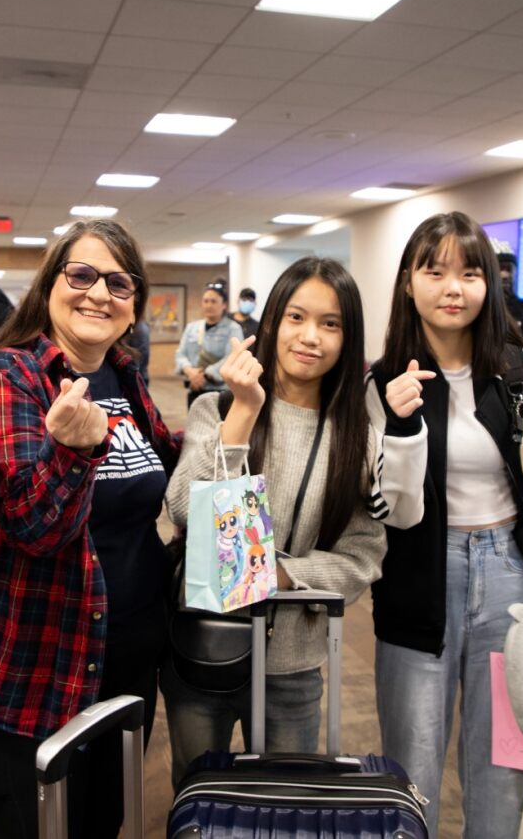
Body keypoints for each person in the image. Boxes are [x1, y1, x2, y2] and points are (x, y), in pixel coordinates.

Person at [0, 219, 180, 839]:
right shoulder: (10, 377)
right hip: (32, 668)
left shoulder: (123, 375)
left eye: (119, 283)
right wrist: (71, 453)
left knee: (101, 824)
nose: (99, 293)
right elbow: (33, 526)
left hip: (126, 660)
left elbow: (157, 463)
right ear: (49, 286)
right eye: (82, 275)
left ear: (133, 309)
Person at [367, 212, 523, 837]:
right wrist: (404, 427)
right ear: (408, 283)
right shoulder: (383, 381)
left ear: (489, 285)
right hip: (417, 577)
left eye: (470, 273)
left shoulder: (522, 373)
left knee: (502, 765)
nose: (454, 287)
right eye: (434, 270)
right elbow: (395, 511)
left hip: (509, 580)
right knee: (410, 763)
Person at [162, 257, 387, 785]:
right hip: (204, 647)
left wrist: (285, 575)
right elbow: (182, 511)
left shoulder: (357, 437)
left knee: (284, 803)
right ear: (270, 325)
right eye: (295, 318)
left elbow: (364, 556)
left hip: (293, 664)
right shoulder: (216, 408)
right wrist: (243, 413)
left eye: (330, 324)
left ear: (347, 338)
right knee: (197, 795)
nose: (311, 337)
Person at [175, 279, 242, 408]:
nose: (209, 305)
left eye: (214, 301)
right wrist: (190, 372)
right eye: (206, 301)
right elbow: (180, 354)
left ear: (224, 305)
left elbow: (231, 357)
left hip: (221, 392)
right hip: (195, 389)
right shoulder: (192, 327)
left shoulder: (233, 329)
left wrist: (205, 375)